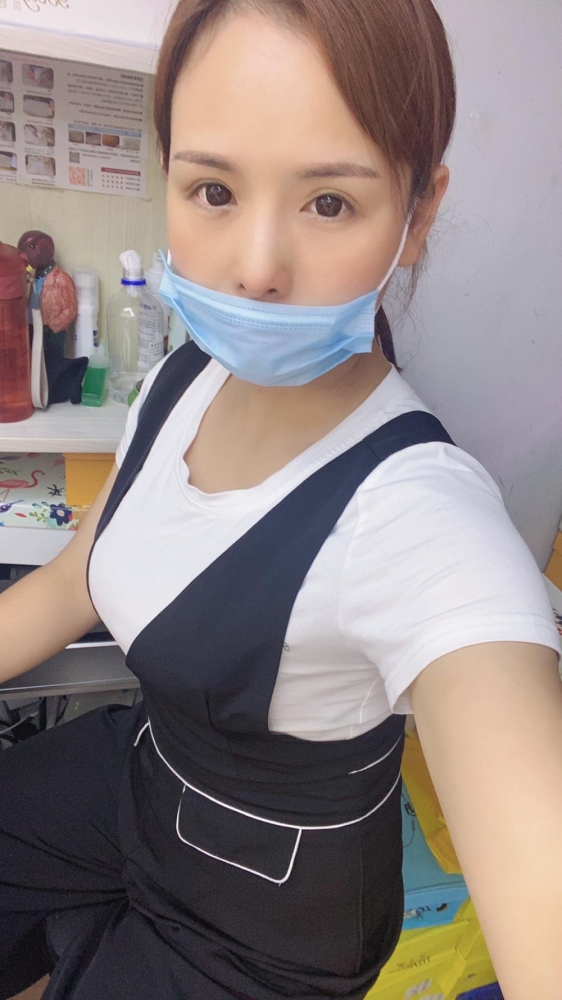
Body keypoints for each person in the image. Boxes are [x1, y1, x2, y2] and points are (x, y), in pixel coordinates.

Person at [1, 1, 561, 998]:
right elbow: (81, 573)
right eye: (213, 189)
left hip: (267, 921)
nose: (256, 268)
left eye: (329, 203)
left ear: (417, 214)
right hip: (145, 775)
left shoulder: (421, 520)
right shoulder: (180, 380)